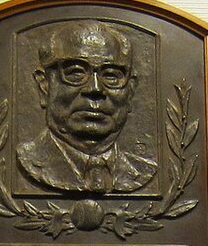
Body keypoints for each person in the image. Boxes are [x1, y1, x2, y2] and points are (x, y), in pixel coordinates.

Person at [16, 19, 156, 195]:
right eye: (76, 72)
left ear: (130, 90)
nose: (95, 88)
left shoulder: (144, 171)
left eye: (111, 75)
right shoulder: (25, 162)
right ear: (44, 85)